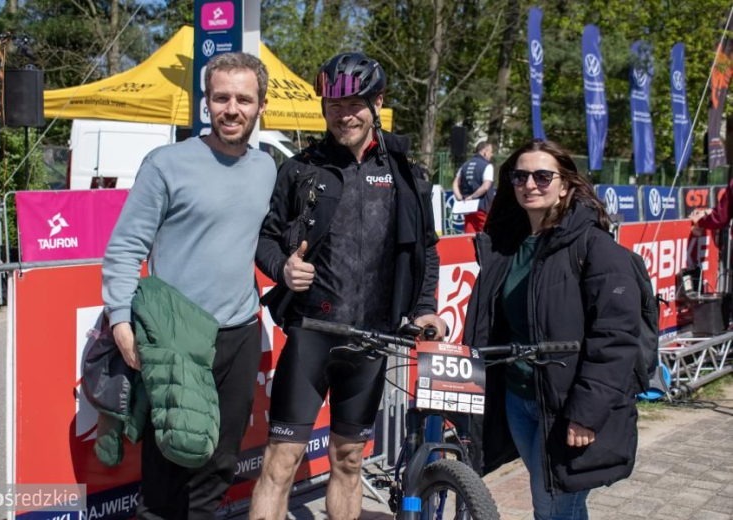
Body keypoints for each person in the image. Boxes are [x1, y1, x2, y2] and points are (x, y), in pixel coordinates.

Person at [249, 52, 445, 520]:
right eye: (333, 105)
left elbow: (427, 249)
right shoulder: (300, 168)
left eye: (354, 103)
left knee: (349, 460)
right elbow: (265, 238)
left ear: (377, 101)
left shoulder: (404, 171)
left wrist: (424, 307)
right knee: (281, 462)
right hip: (313, 332)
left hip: (373, 338)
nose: (344, 114)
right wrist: (281, 269)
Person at [101, 52, 276, 519]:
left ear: (260, 105)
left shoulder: (268, 169)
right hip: (175, 339)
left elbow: (268, 242)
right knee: (169, 467)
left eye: (244, 98)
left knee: (220, 464)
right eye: (222, 98)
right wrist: (121, 321)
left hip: (239, 334)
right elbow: (124, 249)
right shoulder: (165, 164)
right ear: (207, 103)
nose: (232, 108)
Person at [463, 139, 640, 519]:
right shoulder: (508, 246)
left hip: (567, 406)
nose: (530, 184)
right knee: (560, 502)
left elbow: (616, 337)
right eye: (520, 175)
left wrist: (586, 413)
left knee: (553, 505)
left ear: (565, 185)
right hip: (519, 398)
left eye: (543, 176)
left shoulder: (595, 248)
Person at [452, 141, 495, 233]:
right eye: (491, 152)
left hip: (467, 208)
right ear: (485, 151)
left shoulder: (464, 165)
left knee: (469, 236)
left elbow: (455, 183)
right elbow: (485, 187)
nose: (492, 154)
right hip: (482, 207)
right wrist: (472, 197)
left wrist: (460, 198)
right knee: (486, 235)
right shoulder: (487, 166)